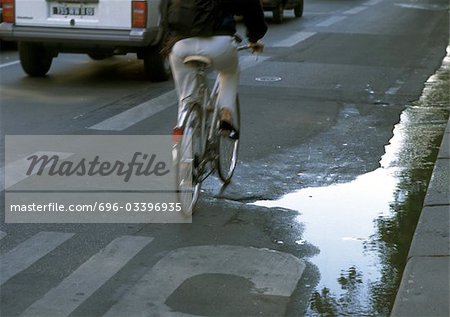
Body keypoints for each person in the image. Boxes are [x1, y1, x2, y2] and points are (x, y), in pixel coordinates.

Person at [161, 0, 268, 139]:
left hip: (181, 45)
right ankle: (226, 113)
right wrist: (254, 38)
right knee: (229, 72)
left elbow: (164, 13)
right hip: (219, 44)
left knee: (186, 100)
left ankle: (184, 153)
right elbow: (251, 7)